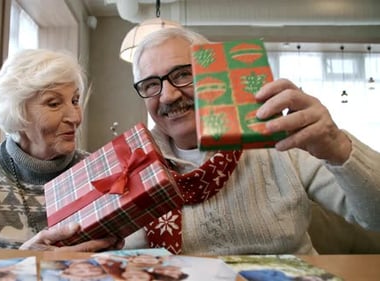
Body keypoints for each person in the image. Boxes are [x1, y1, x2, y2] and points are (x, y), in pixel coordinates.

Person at [124, 27, 380, 255]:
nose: (168, 96)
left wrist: (338, 146)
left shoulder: (283, 143)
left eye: (182, 74)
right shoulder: (133, 169)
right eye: (150, 84)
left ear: (214, 72)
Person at [0, 49, 122, 252]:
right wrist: (23, 264)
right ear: (17, 112)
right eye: (54, 103)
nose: (74, 117)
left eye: (75, 101)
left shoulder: (95, 169)